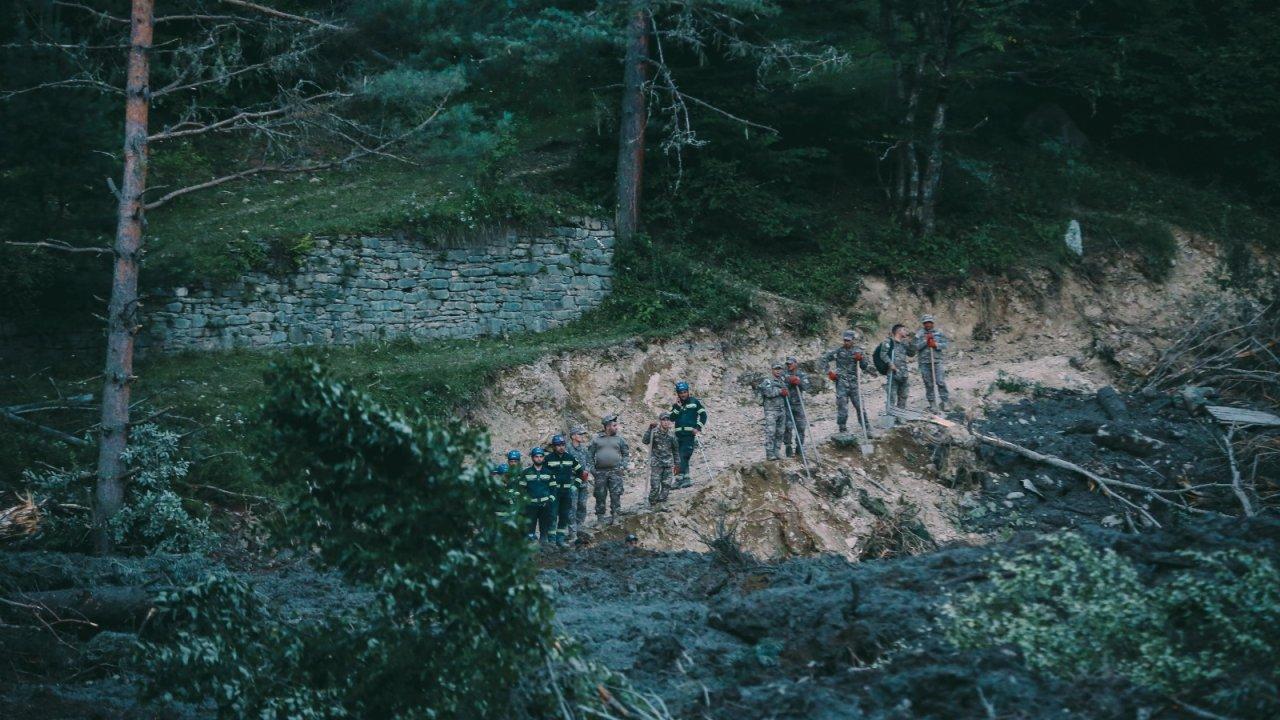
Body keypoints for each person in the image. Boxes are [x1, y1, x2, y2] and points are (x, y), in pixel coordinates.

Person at [822, 330, 876, 433]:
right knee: (842, 406)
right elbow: (824, 359)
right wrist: (829, 372)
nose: (846, 342)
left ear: (853, 340)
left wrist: (861, 359)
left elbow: (864, 366)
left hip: (854, 383)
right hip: (841, 383)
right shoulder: (838, 351)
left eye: (848, 340)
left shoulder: (858, 351)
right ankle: (842, 429)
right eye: (845, 340)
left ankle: (866, 427)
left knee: (859, 406)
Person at [545, 434, 588, 545]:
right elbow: (544, 475)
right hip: (554, 492)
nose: (561, 447)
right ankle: (551, 541)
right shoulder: (548, 459)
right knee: (552, 515)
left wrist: (575, 486)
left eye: (563, 445)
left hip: (566, 492)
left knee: (564, 515)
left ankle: (560, 539)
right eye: (558, 445)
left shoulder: (569, 458)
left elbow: (580, 472)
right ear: (554, 446)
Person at [588, 414, 629, 524]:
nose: (616, 427)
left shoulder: (620, 439)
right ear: (607, 427)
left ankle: (615, 516)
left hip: (615, 472)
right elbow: (590, 455)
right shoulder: (596, 440)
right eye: (614, 425)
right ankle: (600, 519)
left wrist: (623, 466)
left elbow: (626, 454)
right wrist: (592, 469)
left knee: (616, 495)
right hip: (600, 473)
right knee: (600, 495)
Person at [669, 380, 707, 488]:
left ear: (688, 391)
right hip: (678, 435)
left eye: (685, 392)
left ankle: (678, 479)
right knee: (680, 457)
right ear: (678, 393)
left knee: (683, 456)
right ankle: (687, 479)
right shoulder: (676, 405)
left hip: (689, 435)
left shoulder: (694, 402)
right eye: (681, 392)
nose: (683, 394)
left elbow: (704, 415)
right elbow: (671, 418)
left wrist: (698, 427)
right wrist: (677, 407)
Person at [913, 314, 951, 411]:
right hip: (924, 363)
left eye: (929, 322)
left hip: (937, 361)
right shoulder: (919, 334)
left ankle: (945, 401)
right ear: (923, 324)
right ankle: (932, 403)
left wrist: (935, 344)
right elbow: (915, 347)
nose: (928, 325)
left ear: (933, 323)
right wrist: (926, 342)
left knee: (940, 382)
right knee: (928, 383)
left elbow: (946, 344)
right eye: (926, 323)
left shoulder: (939, 333)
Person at [517, 447, 556, 543]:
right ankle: (531, 548)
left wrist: (550, 500)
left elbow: (553, 488)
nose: (539, 458)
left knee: (544, 530)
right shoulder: (526, 473)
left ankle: (544, 547)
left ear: (543, 458)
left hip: (545, 505)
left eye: (541, 456)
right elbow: (521, 489)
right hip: (531, 506)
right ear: (532, 458)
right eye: (536, 457)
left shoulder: (549, 473)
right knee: (530, 530)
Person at [642, 413, 680, 505]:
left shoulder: (672, 435)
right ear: (660, 421)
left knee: (667, 485)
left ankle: (661, 503)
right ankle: (652, 503)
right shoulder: (654, 432)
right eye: (664, 420)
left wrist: (677, 464)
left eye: (668, 420)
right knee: (655, 486)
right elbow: (645, 441)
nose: (666, 422)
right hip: (657, 464)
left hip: (668, 464)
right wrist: (649, 429)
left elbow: (675, 451)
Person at [878, 324, 916, 409]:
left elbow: (911, 354)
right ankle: (890, 414)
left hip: (904, 373)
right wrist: (890, 364)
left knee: (903, 396)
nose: (906, 332)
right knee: (891, 396)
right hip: (893, 373)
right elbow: (883, 354)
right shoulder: (889, 342)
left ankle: (900, 414)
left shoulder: (904, 343)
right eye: (904, 330)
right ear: (899, 331)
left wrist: (912, 342)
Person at [757, 362, 790, 461]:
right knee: (771, 432)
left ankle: (776, 451)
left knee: (780, 432)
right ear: (772, 370)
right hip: (771, 410)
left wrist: (786, 392)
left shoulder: (782, 380)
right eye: (776, 369)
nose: (778, 371)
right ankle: (769, 453)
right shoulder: (768, 381)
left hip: (781, 409)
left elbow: (787, 392)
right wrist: (780, 391)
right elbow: (768, 392)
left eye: (779, 369)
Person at [782, 356, 811, 457]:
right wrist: (789, 381)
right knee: (788, 427)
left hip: (798, 405)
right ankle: (788, 447)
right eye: (787, 364)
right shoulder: (783, 374)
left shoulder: (801, 374)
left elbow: (807, 386)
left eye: (791, 363)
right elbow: (781, 385)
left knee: (801, 427)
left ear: (795, 364)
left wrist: (799, 382)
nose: (789, 365)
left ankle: (799, 447)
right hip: (787, 404)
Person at [566, 423, 592, 530]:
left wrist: (586, 471)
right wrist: (577, 472)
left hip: (583, 481)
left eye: (582, 434)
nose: (581, 436)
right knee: (572, 506)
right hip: (572, 482)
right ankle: (572, 529)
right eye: (579, 434)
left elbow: (590, 461)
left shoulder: (584, 449)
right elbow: (565, 465)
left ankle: (580, 526)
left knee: (582, 504)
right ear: (573, 436)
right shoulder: (567, 449)